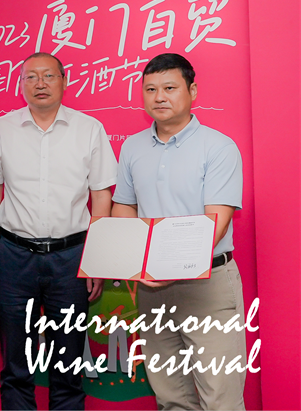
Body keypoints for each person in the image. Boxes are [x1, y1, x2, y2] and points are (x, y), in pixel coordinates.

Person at [112, 53, 246, 409]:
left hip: (208, 285)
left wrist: (168, 267)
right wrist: (133, 261)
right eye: (150, 89)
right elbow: (123, 206)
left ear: (192, 91)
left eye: (170, 88)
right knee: (170, 396)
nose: (159, 97)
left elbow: (217, 219)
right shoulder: (132, 147)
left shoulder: (218, 147)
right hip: (151, 289)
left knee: (221, 397)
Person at [0, 52, 116, 410]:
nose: (40, 83)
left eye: (48, 76)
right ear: (20, 84)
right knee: (16, 364)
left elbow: (101, 197)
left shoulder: (89, 129)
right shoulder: (2, 129)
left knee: (69, 365)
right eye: (31, 76)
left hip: (71, 258)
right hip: (13, 256)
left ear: (64, 81)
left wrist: (97, 260)